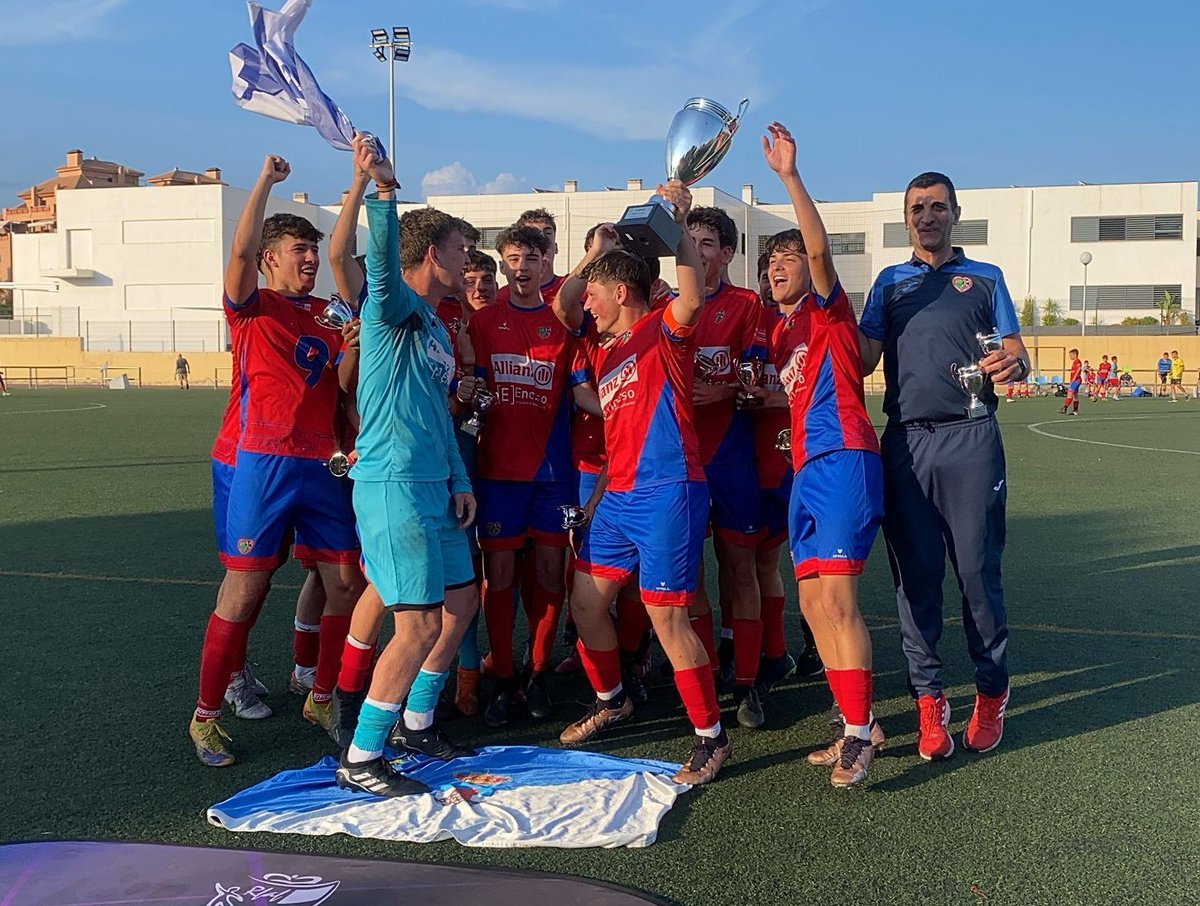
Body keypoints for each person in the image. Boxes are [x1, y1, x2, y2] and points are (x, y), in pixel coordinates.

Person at [551, 183, 733, 786]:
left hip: (668, 491)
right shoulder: (602, 352)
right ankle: (613, 699)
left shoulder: (661, 330)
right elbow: (563, 306)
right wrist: (595, 255)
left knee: (667, 616)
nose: (590, 305)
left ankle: (710, 736)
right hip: (618, 494)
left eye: (599, 294)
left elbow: (690, 291)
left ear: (622, 292)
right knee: (586, 603)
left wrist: (676, 222)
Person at [189, 154, 364, 768]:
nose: (310, 258)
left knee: (345, 580)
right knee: (246, 587)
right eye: (298, 248)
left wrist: (355, 349)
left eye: (313, 249)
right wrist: (265, 180)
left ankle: (321, 695)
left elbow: (342, 385)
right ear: (270, 257)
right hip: (259, 460)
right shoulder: (253, 304)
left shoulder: (329, 314)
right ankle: (207, 713)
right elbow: (237, 258)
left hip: (324, 463)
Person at [860, 171, 1029, 760]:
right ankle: (930, 700)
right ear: (906, 218)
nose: (925, 217)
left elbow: (1016, 352)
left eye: (936, 207)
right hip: (906, 443)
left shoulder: (985, 279)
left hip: (972, 439)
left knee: (978, 576)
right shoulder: (888, 284)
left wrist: (1014, 366)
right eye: (915, 209)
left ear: (955, 212)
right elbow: (860, 360)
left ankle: (990, 691)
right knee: (915, 578)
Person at [333, 136, 480, 797]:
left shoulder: (440, 328)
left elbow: (440, 416)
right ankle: (363, 758)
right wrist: (384, 191)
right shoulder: (392, 311)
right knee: (417, 622)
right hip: (392, 486)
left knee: (461, 603)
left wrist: (461, 481)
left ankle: (416, 722)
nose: (467, 259)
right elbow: (382, 267)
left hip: (435, 487)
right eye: (458, 250)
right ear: (430, 254)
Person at [756, 122, 884, 787]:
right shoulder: (779, 337)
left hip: (844, 461)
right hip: (806, 470)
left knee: (837, 602)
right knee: (812, 607)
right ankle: (852, 719)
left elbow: (818, 246)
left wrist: (789, 177)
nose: (778, 269)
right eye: (770, 264)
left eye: (788, 260)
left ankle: (863, 734)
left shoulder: (829, 313)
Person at [466, 225, 578, 727]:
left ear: (545, 260)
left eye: (532, 257)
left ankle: (537, 675)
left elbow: (580, 395)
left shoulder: (563, 327)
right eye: (514, 258)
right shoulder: (483, 323)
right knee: (501, 578)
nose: (523, 266)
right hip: (499, 474)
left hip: (554, 474)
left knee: (551, 577)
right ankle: (503, 678)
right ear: (503, 264)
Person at [684, 204, 771, 728]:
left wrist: (722, 388)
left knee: (741, 570)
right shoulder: (667, 304)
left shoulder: (745, 304)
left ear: (727, 253)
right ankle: (709, 671)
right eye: (689, 241)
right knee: (687, 573)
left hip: (733, 457)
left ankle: (748, 681)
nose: (697, 250)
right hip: (681, 461)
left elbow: (757, 380)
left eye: (707, 243)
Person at [495, 208, 566, 307]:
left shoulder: (572, 290)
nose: (542, 238)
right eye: (534, 232)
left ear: (556, 247)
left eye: (548, 233)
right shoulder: (500, 297)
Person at [1060, 348, 1082, 416]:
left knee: (1070, 393)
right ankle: (1075, 411)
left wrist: (1074, 378)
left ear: (1075, 355)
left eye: (1071, 355)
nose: (1070, 357)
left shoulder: (1078, 361)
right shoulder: (1074, 362)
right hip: (1075, 380)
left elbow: (1078, 369)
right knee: (1075, 395)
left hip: (1076, 380)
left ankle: (1065, 408)